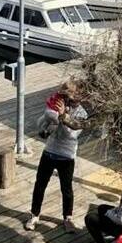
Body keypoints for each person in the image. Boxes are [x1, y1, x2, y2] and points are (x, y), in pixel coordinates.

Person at [25, 82, 88, 233]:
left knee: (66, 189)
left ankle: (67, 218)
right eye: (67, 98)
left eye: (73, 99)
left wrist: (63, 117)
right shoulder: (58, 105)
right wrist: (49, 119)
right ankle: (34, 214)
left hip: (66, 155)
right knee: (40, 185)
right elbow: (41, 124)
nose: (70, 101)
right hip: (50, 151)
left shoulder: (82, 114)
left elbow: (72, 135)